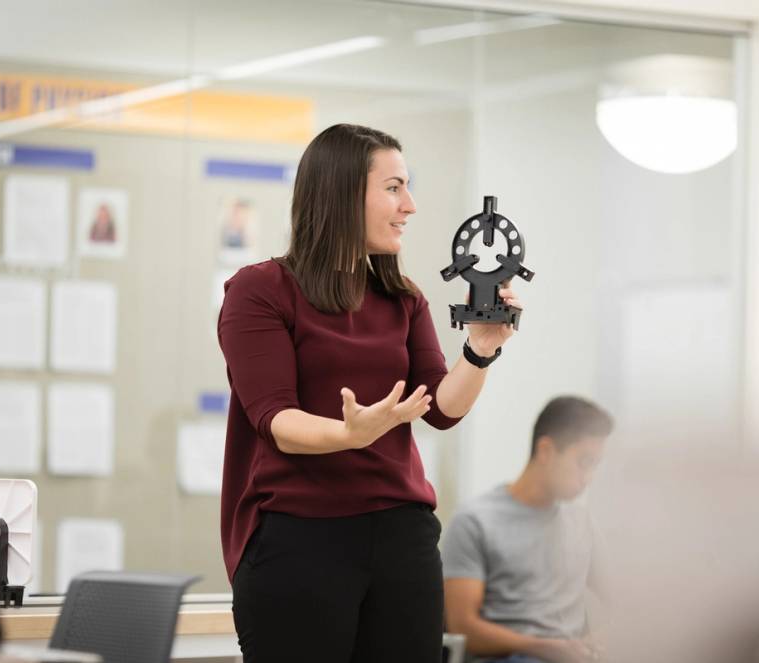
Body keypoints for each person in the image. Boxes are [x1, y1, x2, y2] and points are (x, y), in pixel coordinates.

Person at [218, 123, 522, 663]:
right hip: (300, 538)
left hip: (402, 536)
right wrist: (347, 433)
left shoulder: (402, 298)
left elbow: (443, 409)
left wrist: (480, 348)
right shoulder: (261, 290)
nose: (410, 205)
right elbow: (275, 418)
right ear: (339, 193)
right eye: (393, 188)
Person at [442, 396, 613, 663]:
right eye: (584, 462)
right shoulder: (475, 520)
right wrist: (545, 647)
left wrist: (599, 641)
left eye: (595, 465)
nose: (588, 477)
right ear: (546, 450)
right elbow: (463, 628)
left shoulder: (582, 523)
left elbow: (627, 600)